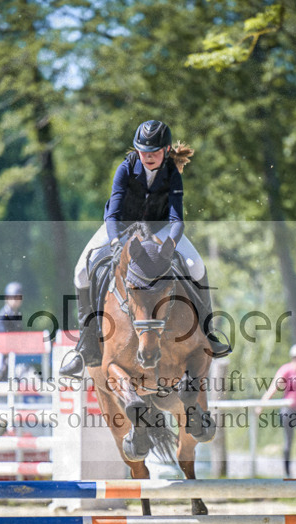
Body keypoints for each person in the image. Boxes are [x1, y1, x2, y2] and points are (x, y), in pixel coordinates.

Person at [60, 120, 230, 379]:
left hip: (161, 228)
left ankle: (208, 333)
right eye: (143, 151)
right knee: (81, 271)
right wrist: (117, 242)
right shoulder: (125, 169)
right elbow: (113, 215)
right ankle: (86, 345)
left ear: (166, 149)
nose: (148, 157)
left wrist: (171, 244)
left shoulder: (172, 172)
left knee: (196, 267)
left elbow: (176, 218)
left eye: (154, 152)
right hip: (122, 227)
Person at [256, 343, 296, 477]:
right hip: (288, 411)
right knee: (288, 442)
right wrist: (261, 405)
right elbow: (273, 388)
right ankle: (288, 473)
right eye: (294, 357)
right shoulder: (286, 370)